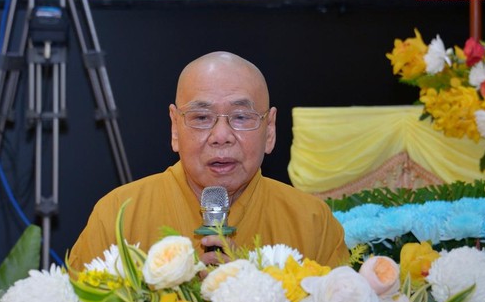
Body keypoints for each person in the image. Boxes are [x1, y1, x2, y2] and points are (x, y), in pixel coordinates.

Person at [68, 51, 349, 270]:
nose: (221, 136)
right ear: (175, 128)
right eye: (202, 117)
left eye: (241, 117)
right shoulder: (118, 215)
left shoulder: (312, 222)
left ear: (270, 129)